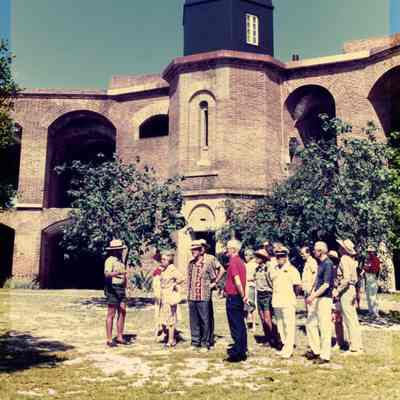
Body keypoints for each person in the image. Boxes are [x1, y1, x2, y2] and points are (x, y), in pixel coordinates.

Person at [268, 246, 301, 359]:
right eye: (277, 256)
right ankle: (284, 346)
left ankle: (289, 349)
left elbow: (297, 286)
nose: (279, 258)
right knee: (281, 326)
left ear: (286, 256)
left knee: (289, 326)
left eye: (282, 255)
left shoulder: (292, 270)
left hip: (288, 301)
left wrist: (292, 296)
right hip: (277, 300)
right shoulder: (274, 269)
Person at [305, 242, 335, 364]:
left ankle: (325, 356)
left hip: (325, 299)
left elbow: (326, 284)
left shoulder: (328, 263)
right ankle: (316, 350)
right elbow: (318, 281)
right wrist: (312, 293)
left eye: (315, 250)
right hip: (318, 298)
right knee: (310, 324)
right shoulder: (321, 264)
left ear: (321, 251)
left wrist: (313, 296)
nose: (313, 252)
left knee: (324, 327)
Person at [187, 240, 217, 351]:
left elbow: (215, 276)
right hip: (192, 296)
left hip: (204, 296)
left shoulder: (208, 263)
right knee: (194, 321)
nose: (193, 252)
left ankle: (205, 343)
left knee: (205, 320)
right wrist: (188, 295)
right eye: (192, 250)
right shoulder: (191, 264)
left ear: (201, 251)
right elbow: (189, 279)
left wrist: (213, 284)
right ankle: (195, 342)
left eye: (195, 250)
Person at [336, 239, 363, 354]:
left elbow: (346, 278)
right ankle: (358, 344)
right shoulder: (352, 260)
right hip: (351, 289)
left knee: (349, 319)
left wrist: (337, 290)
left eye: (340, 246)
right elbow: (355, 278)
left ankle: (354, 347)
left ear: (343, 249)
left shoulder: (344, 259)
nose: (338, 248)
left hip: (346, 290)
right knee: (353, 318)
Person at [224, 239, 248, 363]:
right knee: (240, 324)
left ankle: (238, 353)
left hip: (234, 296)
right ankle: (243, 349)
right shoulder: (241, 262)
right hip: (238, 296)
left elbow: (237, 280)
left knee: (235, 325)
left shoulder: (233, 262)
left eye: (228, 248)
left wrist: (242, 295)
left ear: (233, 249)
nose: (226, 250)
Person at [198, 239, 223, 347]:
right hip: (197, 291)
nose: (201, 248)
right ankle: (201, 337)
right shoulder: (196, 258)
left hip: (207, 290)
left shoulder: (211, 258)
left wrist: (215, 282)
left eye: (202, 246)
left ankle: (208, 338)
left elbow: (221, 270)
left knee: (207, 315)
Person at [104, 239, 128, 348]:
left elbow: (124, 275)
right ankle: (109, 339)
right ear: (115, 250)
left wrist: (126, 286)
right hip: (112, 288)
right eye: (120, 249)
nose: (121, 251)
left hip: (121, 288)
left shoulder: (121, 261)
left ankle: (119, 336)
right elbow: (107, 274)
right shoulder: (110, 260)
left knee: (123, 312)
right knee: (111, 313)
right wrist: (117, 273)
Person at [159, 250, 185, 348]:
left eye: (164, 259)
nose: (162, 261)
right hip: (163, 295)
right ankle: (168, 336)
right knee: (164, 318)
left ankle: (171, 339)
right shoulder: (164, 269)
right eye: (162, 259)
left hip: (169, 295)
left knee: (171, 317)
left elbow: (182, 278)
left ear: (169, 260)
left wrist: (174, 285)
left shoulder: (172, 269)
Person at [253, 248, 277, 347]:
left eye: (258, 257)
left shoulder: (269, 268)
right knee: (262, 318)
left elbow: (273, 282)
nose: (256, 258)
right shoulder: (257, 269)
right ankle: (267, 338)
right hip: (259, 294)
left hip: (267, 294)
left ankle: (273, 339)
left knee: (268, 319)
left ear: (263, 258)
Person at [328, 250, 345, 350]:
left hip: (335, 298)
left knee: (337, 321)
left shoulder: (336, 270)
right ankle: (339, 341)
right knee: (335, 320)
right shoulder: (331, 269)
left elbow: (337, 283)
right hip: (332, 297)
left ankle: (339, 342)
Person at [363, 246, 381, 319]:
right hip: (368, 278)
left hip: (372, 278)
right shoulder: (368, 260)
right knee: (368, 295)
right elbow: (365, 267)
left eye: (370, 252)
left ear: (373, 252)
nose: (369, 253)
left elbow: (375, 270)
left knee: (373, 296)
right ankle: (370, 311)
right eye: (368, 252)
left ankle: (375, 313)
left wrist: (367, 268)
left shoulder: (376, 259)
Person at [244, 248, 258, 332]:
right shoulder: (245, 264)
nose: (245, 256)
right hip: (245, 287)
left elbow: (256, 276)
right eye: (245, 254)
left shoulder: (254, 265)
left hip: (251, 286)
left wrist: (250, 279)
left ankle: (253, 325)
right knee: (245, 306)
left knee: (251, 306)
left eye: (247, 255)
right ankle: (245, 323)